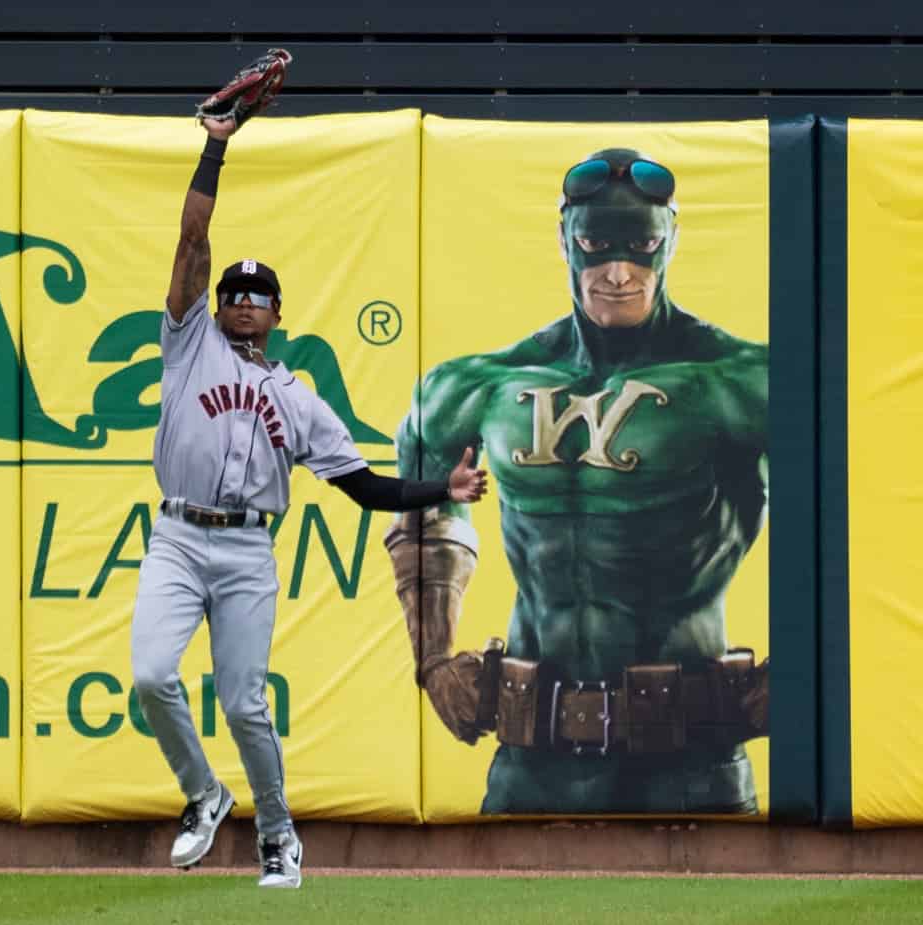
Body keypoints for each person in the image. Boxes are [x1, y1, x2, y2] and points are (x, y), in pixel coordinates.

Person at [129, 114, 488, 888]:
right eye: (234, 293)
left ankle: (279, 834)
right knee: (152, 676)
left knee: (244, 703)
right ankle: (203, 794)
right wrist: (216, 143)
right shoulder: (189, 342)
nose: (245, 300)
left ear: (279, 312)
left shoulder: (297, 398)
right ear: (215, 306)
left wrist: (443, 488)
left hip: (248, 549)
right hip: (179, 536)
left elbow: (362, 487)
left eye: (259, 294)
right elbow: (193, 237)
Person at [385, 148, 769, 815]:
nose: (618, 273)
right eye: (595, 245)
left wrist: (812, 670)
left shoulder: (740, 381)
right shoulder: (481, 385)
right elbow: (422, 492)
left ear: (670, 239)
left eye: (642, 246)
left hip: (692, 760)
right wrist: (434, 657)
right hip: (531, 759)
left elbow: (844, 507)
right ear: (564, 238)